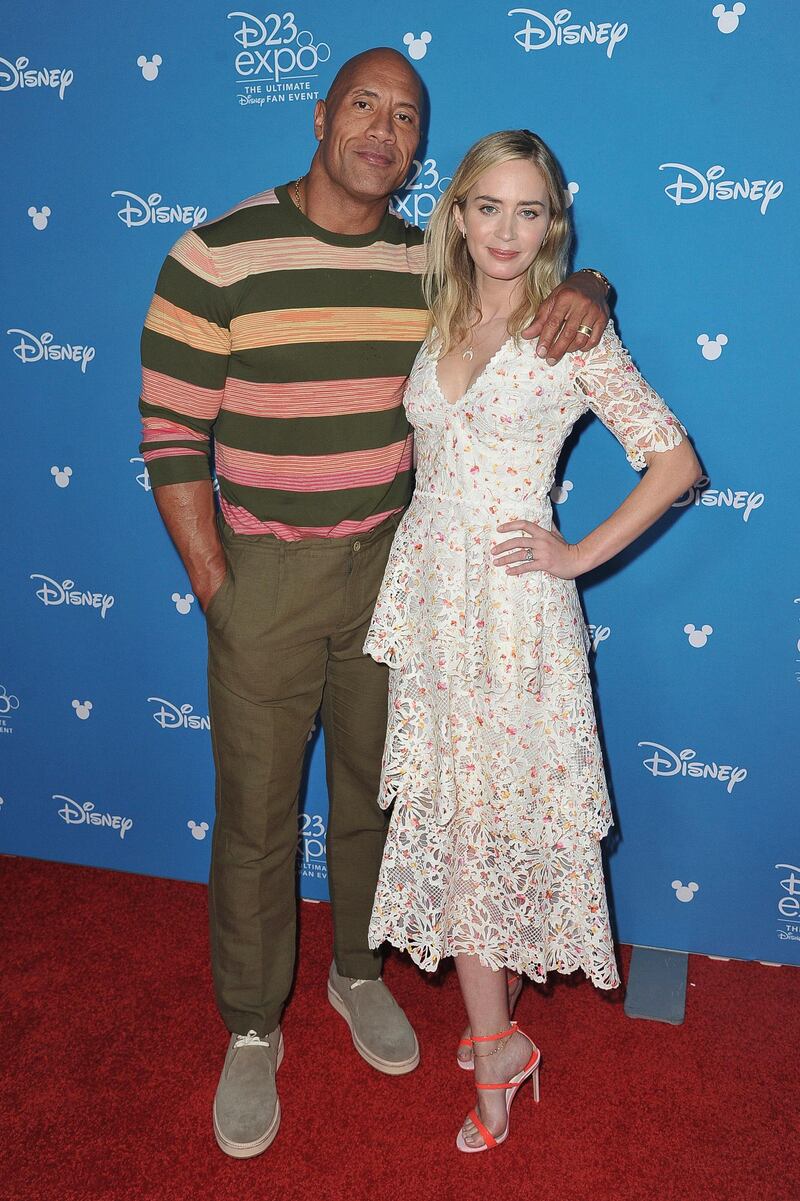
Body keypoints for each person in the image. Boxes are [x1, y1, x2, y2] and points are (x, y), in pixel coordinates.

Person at [138, 49, 611, 1159]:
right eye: (363, 105)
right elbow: (170, 437)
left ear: (416, 151)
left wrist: (593, 288)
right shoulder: (215, 254)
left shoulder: (423, 262)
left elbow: (519, 286)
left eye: (405, 117)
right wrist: (219, 589)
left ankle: (358, 971)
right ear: (319, 115)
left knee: (375, 795)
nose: (381, 131)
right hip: (261, 574)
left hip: (396, 575)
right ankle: (253, 1027)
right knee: (257, 813)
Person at [364, 128, 702, 1153]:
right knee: (465, 819)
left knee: (482, 829)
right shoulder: (437, 314)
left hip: (512, 619)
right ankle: (492, 1016)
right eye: (487, 207)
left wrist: (573, 555)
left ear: (552, 222)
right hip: (431, 604)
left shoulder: (571, 333)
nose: (506, 231)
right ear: (455, 213)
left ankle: (499, 1047)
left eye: (529, 211)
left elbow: (674, 462)